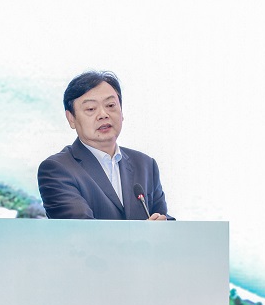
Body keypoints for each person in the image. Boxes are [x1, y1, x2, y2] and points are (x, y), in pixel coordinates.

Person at [38, 71, 172, 220]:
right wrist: (144, 231)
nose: (103, 114)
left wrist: (164, 224)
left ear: (121, 111)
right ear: (71, 119)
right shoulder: (57, 169)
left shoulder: (145, 165)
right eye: (91, 109)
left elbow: (163, 218)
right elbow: (81, 228)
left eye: (110, 105)